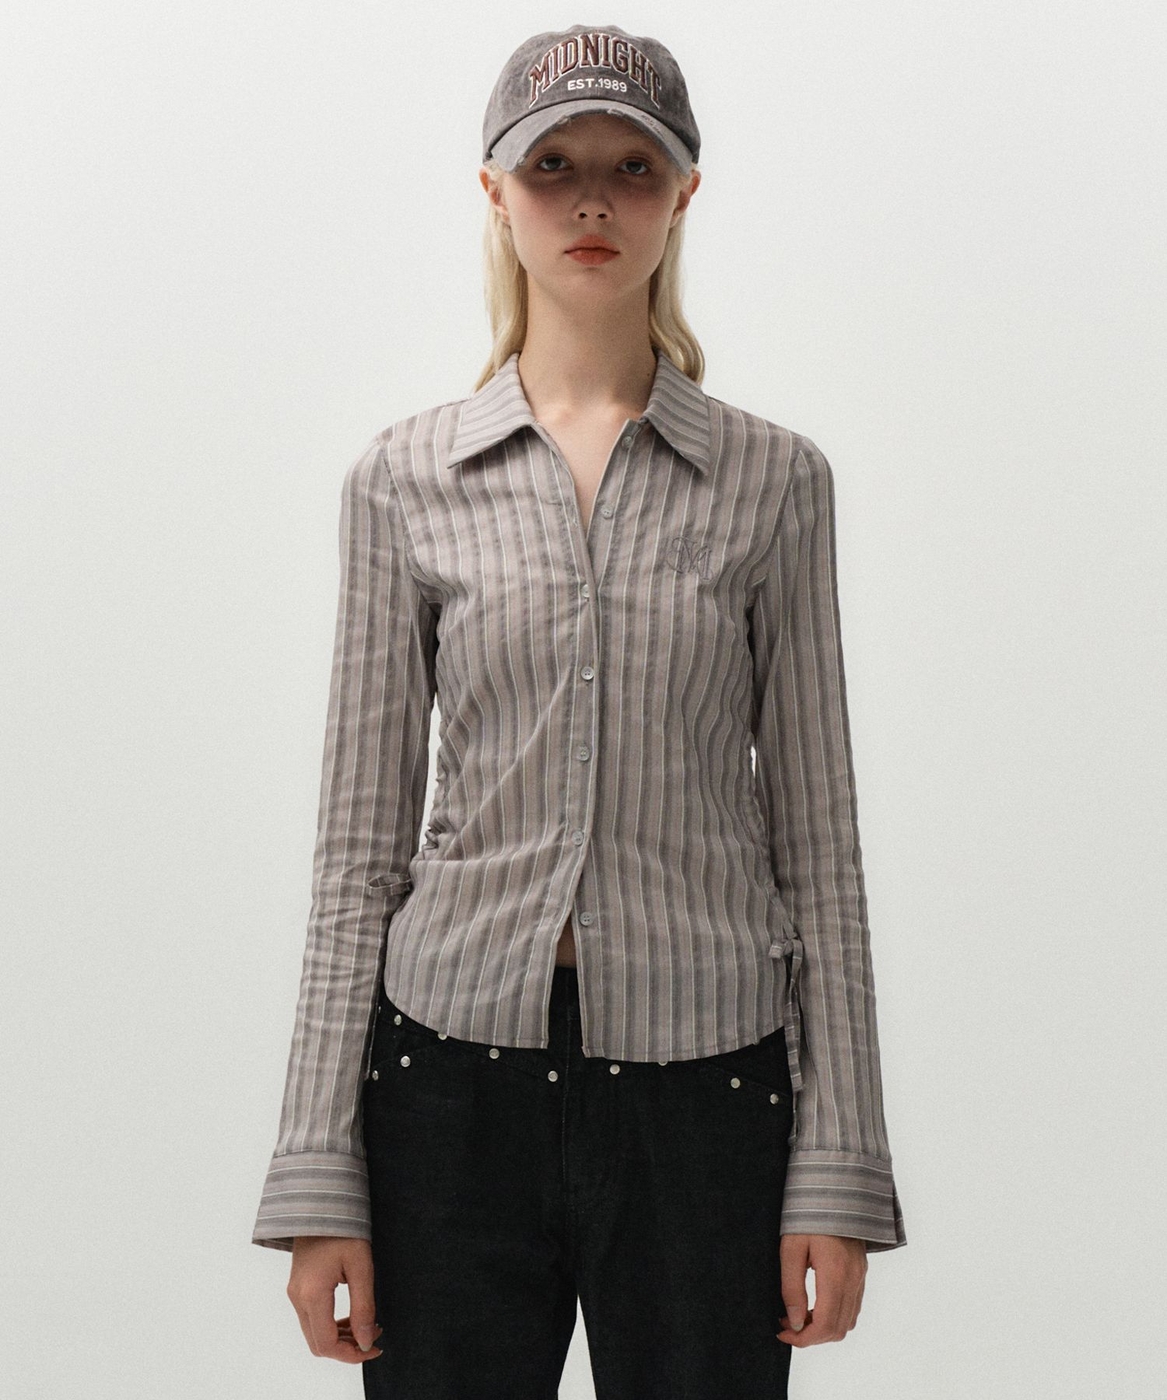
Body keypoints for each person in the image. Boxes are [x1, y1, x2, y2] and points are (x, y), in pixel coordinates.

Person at [251, 23, 906, 1399]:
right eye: (553, 165)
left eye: (632, 166)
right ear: (496, 191)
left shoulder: (777, 485)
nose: (592, 200)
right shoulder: (405, 482)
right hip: (446, 1097)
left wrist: (838, 1169)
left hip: (709, 1098)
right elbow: (358, 856)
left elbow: (819, 850)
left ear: (684, 194)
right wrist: (318, 1171)